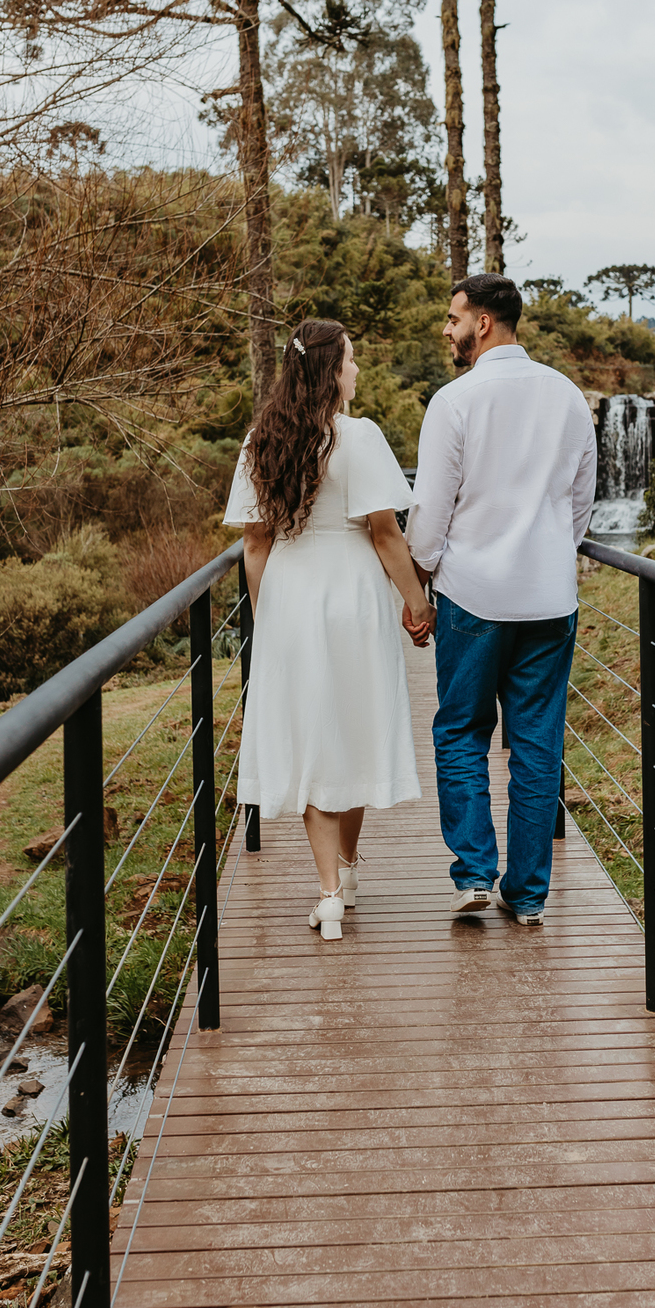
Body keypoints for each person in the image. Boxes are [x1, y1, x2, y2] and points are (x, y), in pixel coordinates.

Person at [224, 319, 433, 940]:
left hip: (292, 592)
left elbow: (254, 545)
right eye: (351, 359)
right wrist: (417, 603)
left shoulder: (262, 439)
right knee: (354, 722)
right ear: (329, 371)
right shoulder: (360, 437)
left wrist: (268, 618)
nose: (358, 370)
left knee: (314, 734)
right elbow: (385, 533)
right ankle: (345, 865)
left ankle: (331, 891)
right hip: (353, 595)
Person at [405, 274, 597, 926]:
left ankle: (476, 874)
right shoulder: (569, 397)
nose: (446, 328)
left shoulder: (454, 402)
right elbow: (579, 504)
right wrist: (546, 552)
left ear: (482, 323)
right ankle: (531, 893)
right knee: (537, 741)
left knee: (461, 730)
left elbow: (429, 512)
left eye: (452, 317)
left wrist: (421, 583)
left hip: (473, 596)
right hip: (548, 597)